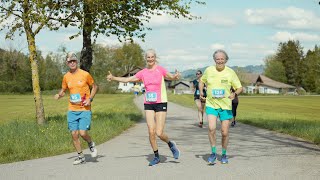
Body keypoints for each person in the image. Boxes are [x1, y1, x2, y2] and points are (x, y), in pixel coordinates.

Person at [107, 49, 181, 166]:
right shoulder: (143, 72)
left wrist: (175, 76)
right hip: (149, 104)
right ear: (145, 58)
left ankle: (170, 144)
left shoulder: (160, 69)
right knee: (151, 132)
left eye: (152, 57)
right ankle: (156, 156)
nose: (150, 59)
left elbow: (171, 77)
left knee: (159, 132)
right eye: (148, 57)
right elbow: (128, 79)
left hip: (161, 102)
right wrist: (114, 78)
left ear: (155, 58)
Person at [199, 49, 243, 164]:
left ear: (226, 60)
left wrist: (235, 93)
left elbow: (239, 87)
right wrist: (201, 92)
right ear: (214, 60)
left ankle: (223, 154)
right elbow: (201, 81)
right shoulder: (209, 70)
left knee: (224, 132)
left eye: (222, 59)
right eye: (217, 59)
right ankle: (213, 153)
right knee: (211, 128)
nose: (220, 61)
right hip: (211, 104)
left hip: (225, 106)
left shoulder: (230, 72)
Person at [54, 52, 98, 165]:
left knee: (83, 133)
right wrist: (59, 95)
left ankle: (91, 143)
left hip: (84, 108)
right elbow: (64, 90)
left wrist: (90, 99)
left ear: (76, 62)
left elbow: (95, 86)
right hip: (72, 109)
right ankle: (81, 156)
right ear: (67, 63)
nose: (72, 63)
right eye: (70, 61)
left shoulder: (85, 74)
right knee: (74, 134)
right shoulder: (66, 77)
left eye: (74, 61)